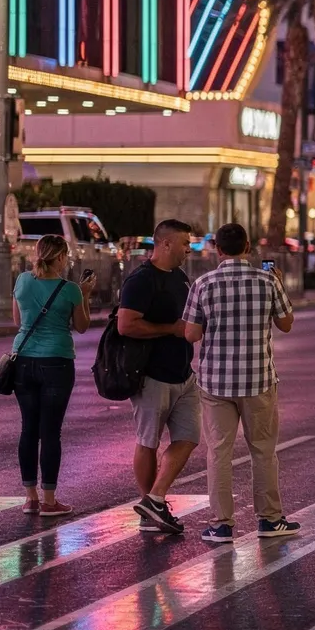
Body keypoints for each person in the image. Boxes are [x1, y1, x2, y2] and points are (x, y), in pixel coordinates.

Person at [183, 222, 299, 544]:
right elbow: (286, 324)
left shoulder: (203, 283)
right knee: (262, 451)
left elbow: (191, 334)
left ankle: (221, 525)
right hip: (259, 380)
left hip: (216, 383)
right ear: (248, 247)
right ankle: (270, 519)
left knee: (219, 453)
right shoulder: (266, 281)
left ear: (217, 250)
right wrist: (278, 286)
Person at [119, 220, 200, 535]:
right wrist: (171, 329)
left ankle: (154, 498)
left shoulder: (180, 277)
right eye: (184, 243)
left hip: (183, 372)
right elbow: (126, 325)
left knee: (189, 437)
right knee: (148, 442)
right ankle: (148, 507)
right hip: (152, 374)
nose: (188, 249)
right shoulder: (141, 280)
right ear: (165, 244)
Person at [9, 235, 92, 515]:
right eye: (65, 256)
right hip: (56, 361)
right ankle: (49, 500)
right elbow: (82, 326)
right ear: (59, 258)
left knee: (28, 428)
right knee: (51, 432)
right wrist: (85, 295)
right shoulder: (70, 289)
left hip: (23, 360)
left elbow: (18, 321)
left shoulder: (22, 281)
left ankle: (30, 497)